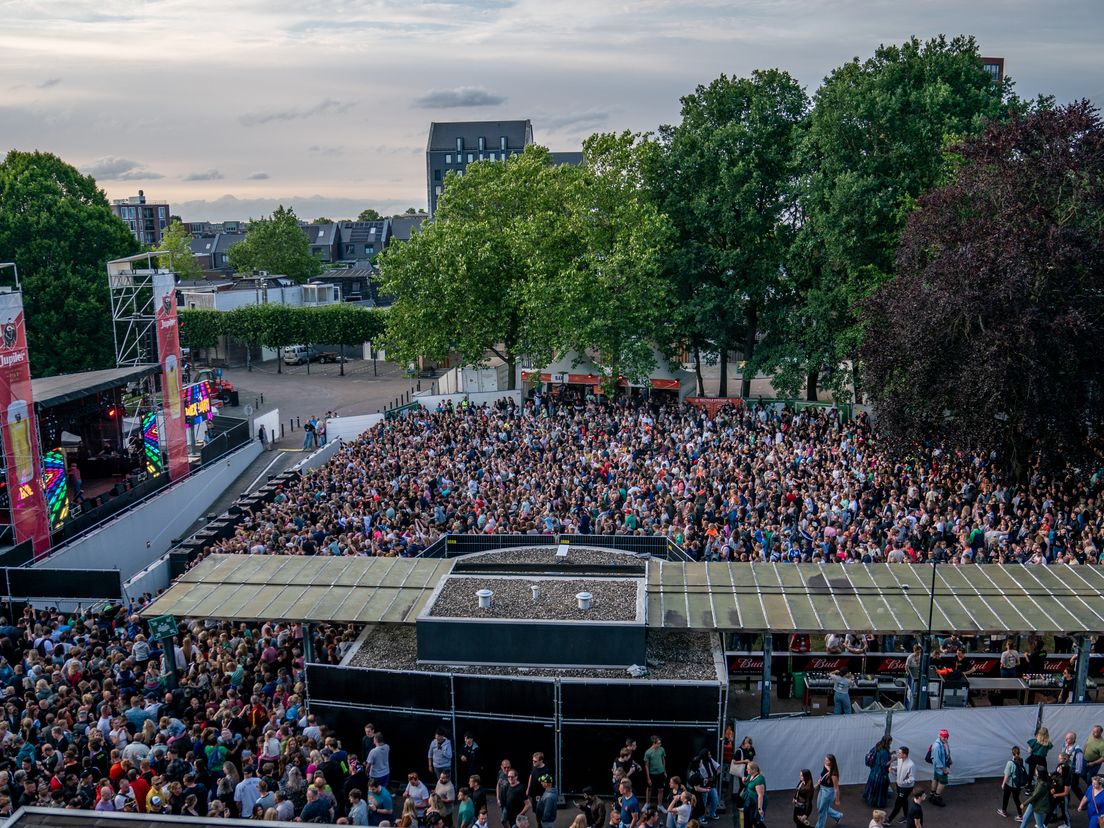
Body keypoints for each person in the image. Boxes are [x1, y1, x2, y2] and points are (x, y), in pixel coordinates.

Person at [887, 747, 915, 825]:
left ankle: (889, 820)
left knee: (898, 803)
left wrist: (903, 782)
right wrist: (893, 768)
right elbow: (899, 768)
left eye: (899, 753)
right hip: (899, 785)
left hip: (906, 788)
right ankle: (906, 817)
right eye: (898, 752)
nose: (897, 754)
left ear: (905, 754)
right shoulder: (899, 760)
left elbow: (912, 779)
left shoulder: (911, 765)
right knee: (904, 801)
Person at [863, 736, 892, 808]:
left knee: (872, 786)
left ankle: (869, 798)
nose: (891, 743)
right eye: (890, 741)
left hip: (874, 771)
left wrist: (890, 753)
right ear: (888, 742)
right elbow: (884, 764)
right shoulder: (884, 752)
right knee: (879, 788)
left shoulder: (877, 747)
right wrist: (893, 759)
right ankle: (877, 802)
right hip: (880, 774)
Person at [999, 746, 1028, 819]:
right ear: (1019, 753)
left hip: (1010, 784)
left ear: (1012, 753)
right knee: (1016, 799)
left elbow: (1006, 775)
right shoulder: (1022, 761)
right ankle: (1020, 815)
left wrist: (1003, 784)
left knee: (1006, 797)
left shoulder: (1010, 763)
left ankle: (1004, 811)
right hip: (1018, 785)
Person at [815, 754, 842, 828]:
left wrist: (837, 800)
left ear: (831, 762)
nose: (825, 761)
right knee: (819, 807)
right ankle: (837, 816)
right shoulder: (825, 765)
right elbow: (822, 775)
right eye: (825, 759)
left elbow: (836, 788)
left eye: (827, 760)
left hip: (828, 792)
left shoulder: (833, 774)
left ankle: (819, 826)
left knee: (822, 811)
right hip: (821, 789)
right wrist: (819, 781)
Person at [929, 730, 951, 807]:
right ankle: (936, 797)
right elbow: (937, 759)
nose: (945, 738)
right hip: (941, 768)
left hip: (938, 767)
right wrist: (943, 769)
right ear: (940, 736)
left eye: (946, 737)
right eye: (944, 737)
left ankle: (932, 795)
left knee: (935, 779)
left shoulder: (941, 743)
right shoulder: (937, 746)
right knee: (943, 782)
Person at [645, 736, 668, 809]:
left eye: (660, 743)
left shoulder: (661, 749)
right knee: (649, 789)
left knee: (661, 789)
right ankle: (647, 803)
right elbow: (646, 766)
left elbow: (663, 760)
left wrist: (664, 771)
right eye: (658, 743)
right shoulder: (648, 752)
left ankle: (660, 805)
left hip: (660, 773)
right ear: (654, 743)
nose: (660, 744)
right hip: (652, 774)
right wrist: (648, 778)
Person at [742, 762, 766, 828]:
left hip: (756, 802)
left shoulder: (759, 779)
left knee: (754, 820)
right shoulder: (750, 775)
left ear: (754, 770)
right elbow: (747, 784)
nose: (746, 770)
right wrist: (743, 780)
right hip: (749, 800)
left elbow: (760, 795)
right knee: (746, 818)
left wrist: (760, 809)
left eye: (748, 769)